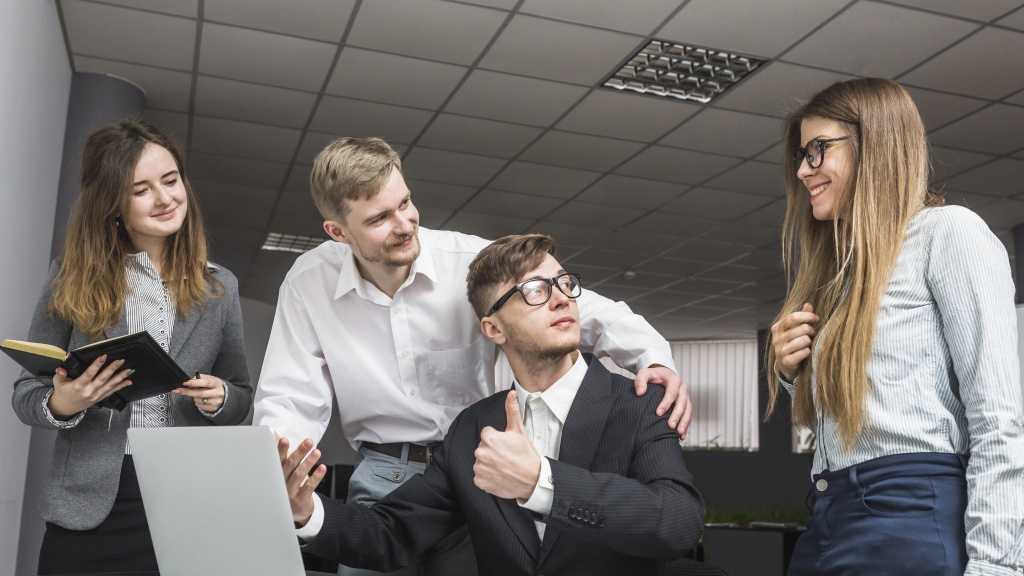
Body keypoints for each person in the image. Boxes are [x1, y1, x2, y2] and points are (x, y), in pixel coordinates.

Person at [253, 137, 691, 576]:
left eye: (405, 203)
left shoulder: (468, 263)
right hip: (388, 469)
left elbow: (581, 309)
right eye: (380, 218)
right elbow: (291, 394)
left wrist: (652, 360)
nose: (405, 224)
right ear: (339, 232)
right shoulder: (309, 283)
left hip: (483, 464)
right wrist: (280, 477)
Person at [767, 78, 1024, 576]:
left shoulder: (948, 234)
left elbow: (998, 420)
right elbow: (849, 424)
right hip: (829, 518)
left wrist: (997, 568)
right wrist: (790, 371)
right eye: (802, 154)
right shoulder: (841, 274)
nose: (803, 170)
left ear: (875, 145)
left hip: (911, 518)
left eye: (818, 150)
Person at [12, 118, 252, 575]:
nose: (165, 198)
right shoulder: (71, 276)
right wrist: (63, 402)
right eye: (141, 189)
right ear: (112, 205)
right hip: (88, 502)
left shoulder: (221, 285)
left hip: (185, 497)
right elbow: (26, 392)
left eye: (171, 180)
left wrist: (219, 397)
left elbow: (240, 395)